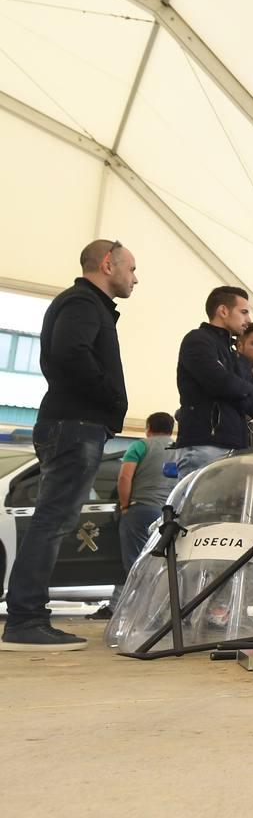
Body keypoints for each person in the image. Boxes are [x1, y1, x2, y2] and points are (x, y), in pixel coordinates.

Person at [2, 240, 137, 652]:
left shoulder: (87, 305)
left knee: (53, 520)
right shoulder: (82, 302)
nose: (136, 278)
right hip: (75, 425)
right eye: (131, 268)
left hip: (75, 424)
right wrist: (111, 399)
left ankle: (27, 615)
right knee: (53, 521)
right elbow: (70, 354)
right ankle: (25, 619)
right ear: (107, 263)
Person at [89, 411, 178, 620]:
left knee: (135, 562)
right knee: (165, 562)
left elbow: (124, 476)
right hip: (169, 514)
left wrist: (125, 504)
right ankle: (160, 610)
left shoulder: (140, 446)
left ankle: (133, 611)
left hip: (141, 510)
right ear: (171, 428)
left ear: (148, 427)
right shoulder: (179, 449)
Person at [175, 286, 253, 474]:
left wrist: (235, 387)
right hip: (204, 444)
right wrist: (244, 388)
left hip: (235, 448)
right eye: (243, 312)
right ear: (223, 311)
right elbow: (219, 382)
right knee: (200, 504)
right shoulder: (197, 340)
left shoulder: (237, 357)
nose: (248, 320)